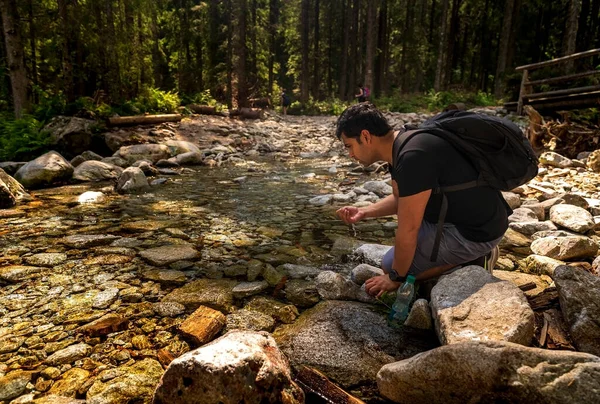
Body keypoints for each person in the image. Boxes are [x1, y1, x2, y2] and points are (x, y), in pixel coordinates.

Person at [335, 103, 509, 297]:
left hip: (477, 231)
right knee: (393, 262)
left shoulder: (412, 158)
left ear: (366, 136)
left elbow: (409, 229)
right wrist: (365, 212)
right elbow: (403, 199)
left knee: (392, 266)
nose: (350, 154)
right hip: (462, 217)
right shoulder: (405, 142)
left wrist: (395, 278)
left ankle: (477, 256)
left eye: (349, 146)